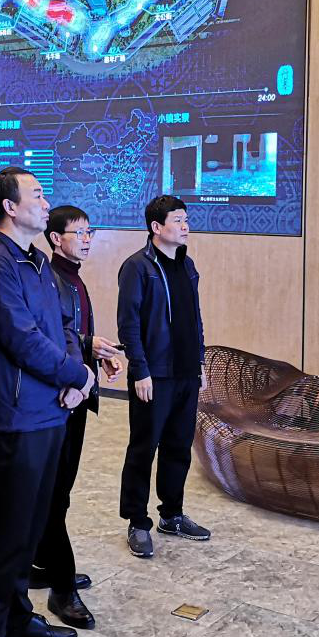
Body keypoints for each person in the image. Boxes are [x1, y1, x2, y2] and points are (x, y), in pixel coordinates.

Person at [0, 167, 95, 637]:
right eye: (36, 195)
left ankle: (18, 617)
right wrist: (76, 374)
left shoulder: (38, 261)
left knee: (32, 527)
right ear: (9, 207)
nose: (45, 203)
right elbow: (22, 340)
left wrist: (76, 378)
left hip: (52, 411)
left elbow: (62, 327)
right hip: (15, 417)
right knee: (4, 534)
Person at [30, 206, 122, 630]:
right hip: (62, 398)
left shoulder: (71, 278)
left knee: (58, 489)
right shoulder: (51, 278)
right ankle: (61, 586)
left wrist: (92, 348)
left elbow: (70, 334)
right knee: (55, 493)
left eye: (90, 232)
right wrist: (78, 369)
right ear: (55, 238)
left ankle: (41, 561)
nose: (86, 239)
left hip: (76, 391)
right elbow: (47, 339)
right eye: (78, 232)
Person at [117, 195, 210, 559]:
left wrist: (199, 363)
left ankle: (171, 514)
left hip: (186, 372)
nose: (185, 226)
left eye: (186, 219)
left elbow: (195, 318)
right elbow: (129, 323)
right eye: (178, 220)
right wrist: (140, 369)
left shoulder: (188, 265)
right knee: (143, 448)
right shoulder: (137, 267)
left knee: (178, 446)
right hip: (153, 375)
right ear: (156, 227)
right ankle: (137, 522)